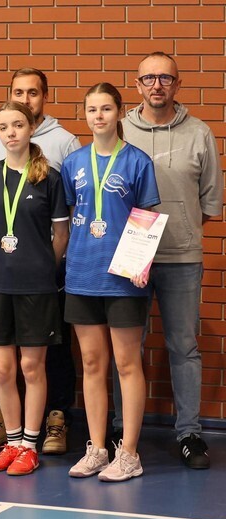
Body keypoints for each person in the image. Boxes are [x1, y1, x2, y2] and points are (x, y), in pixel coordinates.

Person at [117, 52, 222, 469]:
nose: (156, 85)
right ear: (137, 84)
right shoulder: (120, 128)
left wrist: (180, 228)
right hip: (129, 260)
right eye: (148, 78)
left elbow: (209, 202)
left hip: (181, 258)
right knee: (127, 349)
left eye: (165, 78)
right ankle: (122, 433)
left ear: (177, 84)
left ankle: (189, 433)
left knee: (184, 346)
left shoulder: (200, 133)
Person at [0, 67, 81, 454]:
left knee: (32, 367)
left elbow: (61, 235)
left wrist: (41, 266)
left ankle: (29, 447)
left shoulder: (49, 178)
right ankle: (12, 442)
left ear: (31, 128)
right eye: (4, 127)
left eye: (18, 125)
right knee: (3, 369)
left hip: (37, 287)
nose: (11, 133)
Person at [62, 83, 160, 482]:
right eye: (92, 109)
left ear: (120, 112)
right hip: (82, 274)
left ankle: (130, 453)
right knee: (91, 363)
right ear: (85, 114)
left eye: (106, 108)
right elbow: (71, 218)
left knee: (126, 363)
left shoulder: (138, 161)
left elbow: (146, 220)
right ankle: (98, 449)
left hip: (124, 278)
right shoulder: (74, 162)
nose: (98, 116)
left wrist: (140, 263)